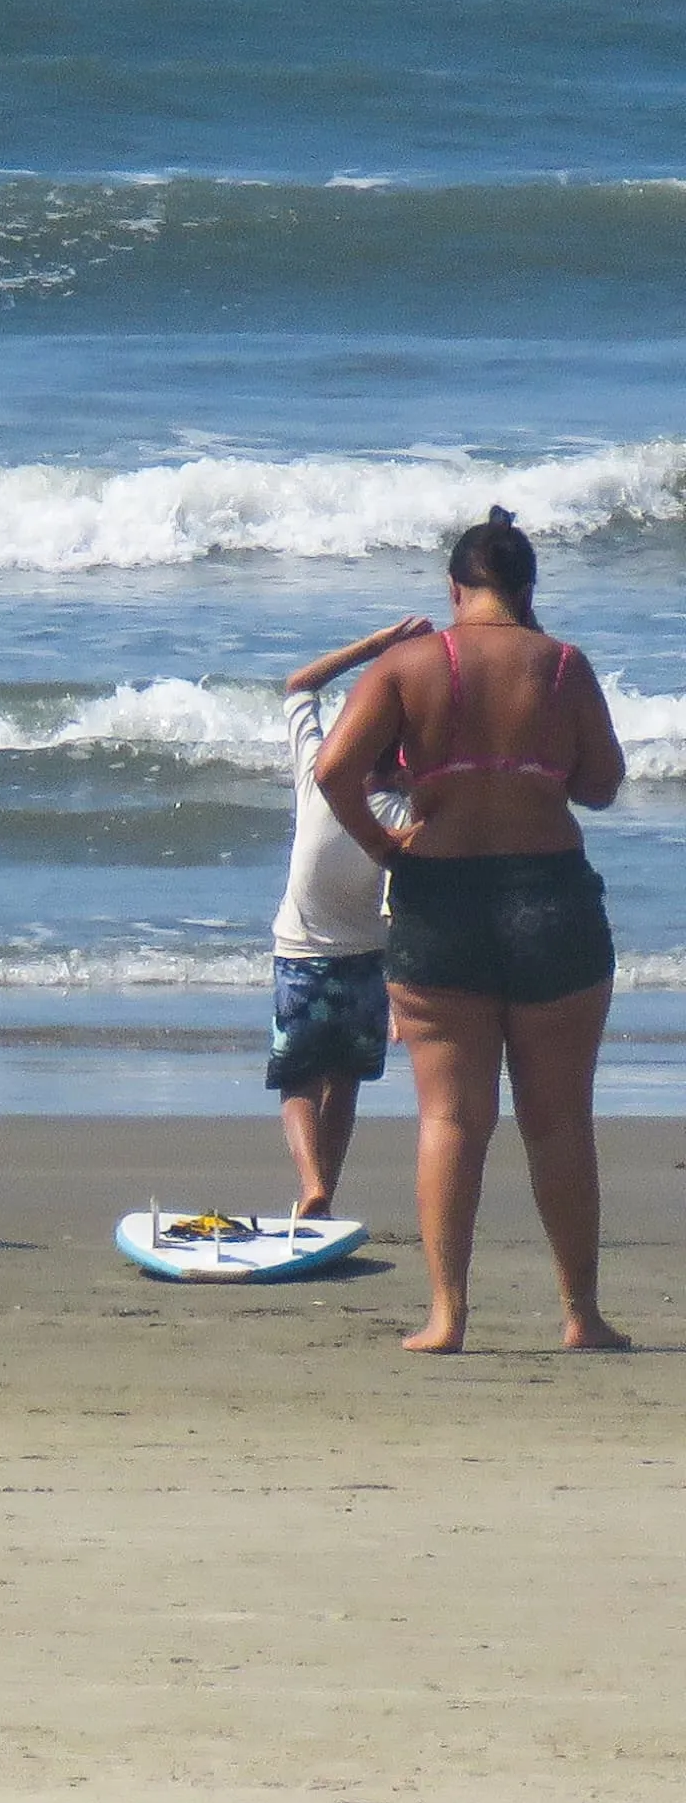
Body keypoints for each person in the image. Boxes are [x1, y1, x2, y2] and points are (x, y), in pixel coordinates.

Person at [313, 510, 627, 1355]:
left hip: (440, 899)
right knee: (560, 1120)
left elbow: (333, 769)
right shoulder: (562, 664)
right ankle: (581, 1315)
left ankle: (447, 1316)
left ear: (454, 589)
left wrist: (384, 844)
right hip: (550, 898)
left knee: (452, 1119)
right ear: (527, 589)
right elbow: (601, 784)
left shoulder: (408, 665)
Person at [266, 614, 427, 1216]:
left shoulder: (318, 772)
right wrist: (402, 990)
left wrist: (376, 646)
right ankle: (323, 1196)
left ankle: (312, 1184)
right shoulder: (406, 809)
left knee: (297, 1080)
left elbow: (299, 684)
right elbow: (402, 900)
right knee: (345, 1083)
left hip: (301, 953)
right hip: (367, 964)